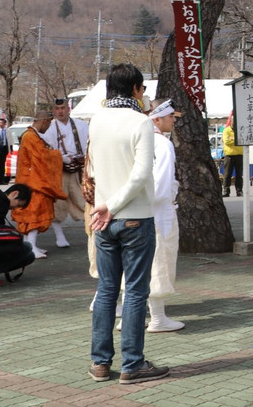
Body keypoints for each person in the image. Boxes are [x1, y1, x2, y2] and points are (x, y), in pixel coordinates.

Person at [88, 63, 169, 384]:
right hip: (133, 216)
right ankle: (133, 364)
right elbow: (140, 174)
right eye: (143, 89)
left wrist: (104, 206)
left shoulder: (97, 121)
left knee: (107, 290)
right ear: (136, 89)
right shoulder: (141, 122)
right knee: (135, 291)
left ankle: (100, 362)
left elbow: (93, 168)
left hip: (103, 219)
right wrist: (114, 206)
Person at [146, 100, 183, 332]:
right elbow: (161, 184)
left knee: (138, 264)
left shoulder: (140, 139)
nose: (174, 120)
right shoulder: (162, 144)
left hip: (138, 209)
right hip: (159, 209)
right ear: (157, 119)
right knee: (160, 260)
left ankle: (133, 316)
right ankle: (158, 318)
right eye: (170, 116)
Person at [11, 107, 66, 259]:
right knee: (33, 215)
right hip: (33, 183)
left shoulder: (32, 135)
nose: (48, 128)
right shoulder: (30, 137)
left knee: (33, 214)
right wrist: (58, 155)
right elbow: (42, 157)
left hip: (33, 180)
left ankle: (30, 245)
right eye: (48, 124)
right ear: (44, 121)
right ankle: (31, 246)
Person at [47, 96, 90, 248]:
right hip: (60, 170)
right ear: (53, 110)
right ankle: (60, 236)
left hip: (79, 168)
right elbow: (49, 150)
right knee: (59, 202)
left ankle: (93, 234)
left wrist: (82, 158)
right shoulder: (50, 128)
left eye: (63, 108)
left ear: (68, 109)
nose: (60, 111)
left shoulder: (81, 124)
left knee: (84, 199)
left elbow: (88, 144)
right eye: (57, 109)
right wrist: (64, 158)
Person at [0, 183, 35, 278]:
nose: (15, 208)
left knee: (27, 251)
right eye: (18, 204)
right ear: (14, 194)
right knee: (27, 249)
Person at [221, 113, 243, 197]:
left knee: (239, 175)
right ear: (231, 122)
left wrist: (232, 139)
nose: (235, 123)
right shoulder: (226, 130)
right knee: (227, 174)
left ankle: (239, 191)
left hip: (239, 154)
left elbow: (242, 140)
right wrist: (236, 140)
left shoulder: (241, 130)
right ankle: (226, 191)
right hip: (229, 155)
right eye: (234, 122)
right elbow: (226, 141)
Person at [0, 116, 9, 184]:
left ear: (4, 124)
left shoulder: (7, 131)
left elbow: (10, 140)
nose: (0, 124)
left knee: (2, 166)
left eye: (2, 123)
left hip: (4, 149)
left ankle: (1, 180)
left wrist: (10, 148)